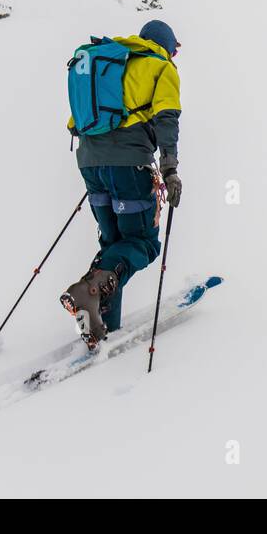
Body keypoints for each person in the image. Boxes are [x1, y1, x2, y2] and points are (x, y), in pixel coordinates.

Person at [60, 20, 183, 347]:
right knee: (142, 242)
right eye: (175, 49)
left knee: (113, 246)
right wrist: (170, 169)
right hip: (129, 166)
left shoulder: (108, 65)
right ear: (167, 46)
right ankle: (93, 302)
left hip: (90, 164)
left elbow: (75, 124)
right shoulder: (160, 68)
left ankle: (99, 324)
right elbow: (167, 118)